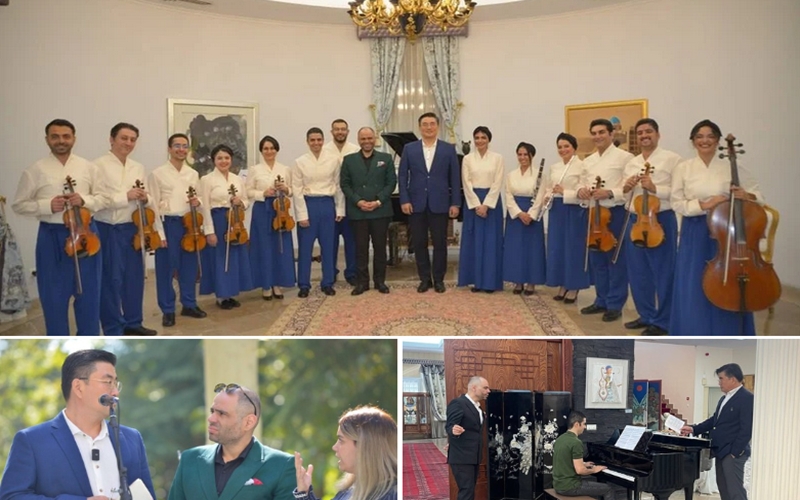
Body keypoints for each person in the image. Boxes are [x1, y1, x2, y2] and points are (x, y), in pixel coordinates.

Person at [0, 349, 155, 500]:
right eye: (108, 382)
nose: (115, 392)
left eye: (116, 383)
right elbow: (11, 496)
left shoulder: (132, 438)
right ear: (78, 387)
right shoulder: (31, 440)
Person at [12, 119, 103, 336]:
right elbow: (19, 205)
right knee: (53, 297)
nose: (61, 141)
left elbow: (103, 199)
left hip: (86, 235)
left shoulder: (88, 167)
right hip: (51, 236)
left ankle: (88, 340)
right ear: (47, 140)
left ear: (73, 138)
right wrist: (46, 206)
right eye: (55, 136)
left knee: (89, 296)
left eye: (65, 136)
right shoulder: (35, 170)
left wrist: (84, 200)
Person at [670, 119, 762, 336]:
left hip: (727, 230)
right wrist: (704, 204)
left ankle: (728, 329)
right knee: (694, 280)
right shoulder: (683, 167)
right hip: (696, 229)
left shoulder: (732, 165)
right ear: (693, 141)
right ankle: (692, 328)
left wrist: (746, 195)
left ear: (718, 140)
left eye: (710, 136)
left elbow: (757, 194)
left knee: (727, 280)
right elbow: (677, 202)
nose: (705, 140)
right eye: (699, 137)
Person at [168, 383, 295, 500]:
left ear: (248, 422)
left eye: (222, 413)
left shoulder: (282, 465)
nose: (211, 418)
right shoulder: (189, 459)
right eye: (212, 411)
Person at [93, 122, 157, 336]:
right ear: (112, 139)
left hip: (133, 228)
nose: (128, 143)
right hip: (108, 228)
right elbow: (96, 201)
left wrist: (145, 197)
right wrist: (126, 196)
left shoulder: (137, 167)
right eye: (124, 138)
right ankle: (113, 327)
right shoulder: (97, 166)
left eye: (132, 139)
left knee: (135, 277)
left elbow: (147, 195)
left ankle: (134, 322)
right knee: (111, 280)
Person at [620, 119, 682, 336]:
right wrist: (626, 188)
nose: (644, 135)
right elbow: (625, 195)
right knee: (638, 272)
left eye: (648, 131)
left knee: (663, 272)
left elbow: (678, 193)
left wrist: (655, 188)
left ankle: (663, 321)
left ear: (658, 134)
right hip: (636, 221)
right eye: (640, 133)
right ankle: (645, 315)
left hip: (661, 219)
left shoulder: (673, 159)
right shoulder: (632, 162)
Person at [148, 133, 207, 327]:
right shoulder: (157, 173)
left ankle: (189, 303)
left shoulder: (193, 173)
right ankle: (168, 309)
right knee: (166, 268)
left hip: (189, 224)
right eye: (177, 146)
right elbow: (153, 206)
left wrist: (196, 201)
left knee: (189, 266)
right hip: (168, 224)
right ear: (169, 148)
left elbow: (199, 199)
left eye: (184, 146)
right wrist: (159, 233)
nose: (181, 149)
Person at [577, 118, 634, 323]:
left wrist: (609, 192)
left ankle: (615, 303)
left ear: (611, 134)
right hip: (593, 214)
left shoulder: (625, 158)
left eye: (602, 132)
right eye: (594, 133)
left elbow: (629, 187)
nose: (597, 136)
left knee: (615, 260)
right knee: (597, 260)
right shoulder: (588, 161)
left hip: (615, 213)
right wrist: (581, 191)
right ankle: (600, 299)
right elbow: (581, 184)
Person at [398, 112, 461, 294]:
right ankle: (424, 279)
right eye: (425, 124)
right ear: (420, 127)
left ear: (437, 126)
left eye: (432, 124)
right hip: (415, 204)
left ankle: (439, 279)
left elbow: (455, 179)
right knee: (419, 243)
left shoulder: (448, 149)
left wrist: (455, 203)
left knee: (441, 243)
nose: (428, 127)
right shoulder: (409, 149)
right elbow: (402, 176)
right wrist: (404, 199)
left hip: (440, 204)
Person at [531, 133, 590, 304]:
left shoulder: (582, 166)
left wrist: (565, 192)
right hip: (557, 210)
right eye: (560, 147)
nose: (563, 150)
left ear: (574, 147)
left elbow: (584, 192)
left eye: (566, 146)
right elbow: (549, 187)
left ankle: (574, 286)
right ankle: (562, 284)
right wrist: (547, 197)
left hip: (574, 210)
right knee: (557, 248)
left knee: (573, 249)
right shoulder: (555, 167)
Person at [681, 363, 753, 500]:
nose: (719, 382)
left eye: (721, 378)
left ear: (732, 379)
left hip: (732, 453)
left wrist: (734, 452)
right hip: (720, 450)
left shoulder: (747, 398)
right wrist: (694, 428)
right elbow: (715, 420)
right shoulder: (724, 398)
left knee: (735, 491)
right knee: (724, 490)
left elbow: (747, 428)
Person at [294, 406, 397, 500]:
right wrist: (304, 493)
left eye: (341, 440)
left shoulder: (393, 494)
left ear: (363, 446)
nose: (334, 447)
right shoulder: (350, 489)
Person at [339, 127, 397, 295]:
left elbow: (391, 183)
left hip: (380, 211)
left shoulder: (385, 158)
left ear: (375, 139)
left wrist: (378, 201)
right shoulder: (349, 160)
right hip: (359, 212)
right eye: (363, 138)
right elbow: (345, 184)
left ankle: (380, 282)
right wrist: (358, 201)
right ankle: (362, 283)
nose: (366, 141)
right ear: (359, 140)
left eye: (369, 138)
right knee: (360, 249)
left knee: (380, 249)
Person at [198, 144, 254, 309]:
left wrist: (240, 202)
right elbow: (205, 207)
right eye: (220, 158)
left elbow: (246, 201)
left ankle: (231, 293)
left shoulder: (237, 179)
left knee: (234, 258)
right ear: (214, 160)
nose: (224, 161)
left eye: (227, 158)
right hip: (217, 221)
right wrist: (209, 231)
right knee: (220, 258)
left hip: (235, 221)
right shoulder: (206, 180)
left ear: (231, 159)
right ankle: (221, 296)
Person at [292, 127, 345, 297]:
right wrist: (302, 215)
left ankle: (328, 282)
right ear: (307, 142)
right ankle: (304, 285)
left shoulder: (333, 159)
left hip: (327, 204)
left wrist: (340, 208)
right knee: (305, 248)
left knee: (328, 247)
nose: (316, 143)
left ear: (323, 140)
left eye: (319, 140)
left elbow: (338, 186)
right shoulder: (300, 162)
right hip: (308, 204)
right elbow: (297, 190)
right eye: (312, 140)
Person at [246, 135, 296, 300]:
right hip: (262, 209)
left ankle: (278, 283)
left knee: (279, 247)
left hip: (281, 211)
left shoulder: (285, 169)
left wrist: (285, 189)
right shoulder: (255, 169)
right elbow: (248, 192)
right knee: (264, 247)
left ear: (277, 150)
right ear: (261, 151)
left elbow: (292, 191)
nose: (269, 151)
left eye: (272, 148)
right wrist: (263, 193)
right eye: (266, 148)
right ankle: (266, 284)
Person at [458, 126, 504, 293]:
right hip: (473, 203)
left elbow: (498, 182)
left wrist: (486, 204)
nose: (479, 141)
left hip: (491, 204)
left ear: (489, 139)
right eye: (476, 137)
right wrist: (477, 204)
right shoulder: (468, 159)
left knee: (491, 243)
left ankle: (490, 282)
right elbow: (466, 182)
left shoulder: (497, 158)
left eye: (483, 137)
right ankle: (476, 281)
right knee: (474, 242)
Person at [504, 142, 546, 295]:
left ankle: (531, 282)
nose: (522, 157)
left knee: (532, 249)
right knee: (515, 249)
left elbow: (541, 195)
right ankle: (518, 281)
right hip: (516, 216)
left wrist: (531, 214)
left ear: (531, 156)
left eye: (525, 155)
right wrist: (519, 213)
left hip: (532, 214)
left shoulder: (539, 174)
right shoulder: (511, 175)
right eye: (520, 154)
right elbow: (508, 196)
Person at [323, 119, 360, 286]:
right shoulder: (323, 151)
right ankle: (331, 273)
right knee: (329, 242)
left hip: (350, 203)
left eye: (343, 129)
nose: (340, 132)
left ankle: (351, 273)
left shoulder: (355, 150)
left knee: (352, 241)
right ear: (331, 132)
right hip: (330, 204)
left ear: (347, 131)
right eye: (336, 129)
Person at [445, 376, 490, 500]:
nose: (488, 391)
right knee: (466, 491)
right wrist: (453, 431)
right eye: (485, 388)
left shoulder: (478, 407)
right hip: (461, 457)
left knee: (469, 490)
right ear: (474, 388)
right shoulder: (458, 403)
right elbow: (450, 426)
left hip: (473, 456)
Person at [552, 411, 612, 500]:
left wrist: (583, 463)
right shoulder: (576, 442)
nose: (585, 427)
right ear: (577, 424)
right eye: (584, 424)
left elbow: (565, 460)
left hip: (558, 485)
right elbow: (580, 471)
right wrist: (594, 469)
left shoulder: (560, 439)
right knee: (608, 489)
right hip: (570, 487)